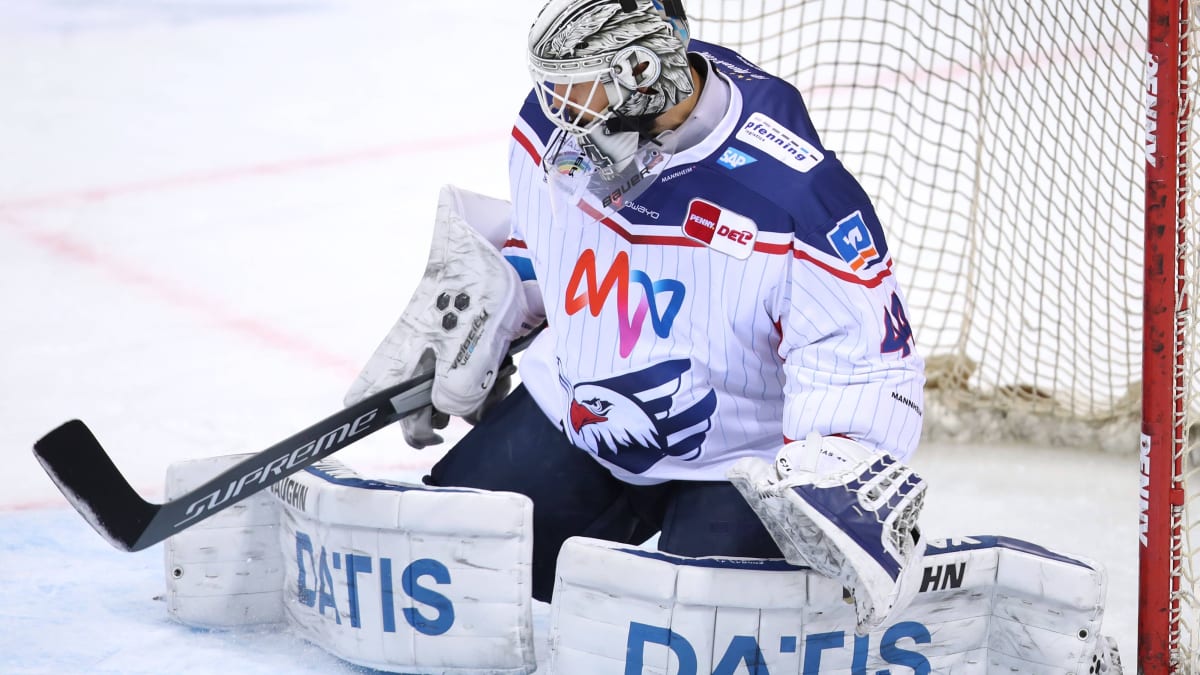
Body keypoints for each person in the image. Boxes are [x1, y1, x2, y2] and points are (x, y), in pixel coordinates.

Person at [346, 0, 927, 633]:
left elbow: (859, 354)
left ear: (644, 72)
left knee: (700, 638)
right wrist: (490, 307)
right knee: (446, 571)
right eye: (553, 85)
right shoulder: (554, 125)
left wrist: (837, 467)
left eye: (579, 87)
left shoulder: (796, 197)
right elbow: (547, 237)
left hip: (736, 463)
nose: (558, 107)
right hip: (579, 412)